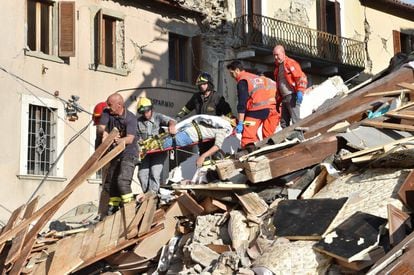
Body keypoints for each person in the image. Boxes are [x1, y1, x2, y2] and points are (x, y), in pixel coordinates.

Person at [97, 93, 138, 215]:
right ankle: (113, 210)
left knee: (122, 181)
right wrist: (103, 133)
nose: (108, 107)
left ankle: (129, 208)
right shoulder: (107, 112)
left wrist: (117, 140)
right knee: (110, 183)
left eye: (110, 105)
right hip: (115, 153)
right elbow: (101, 127)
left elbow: (130, 139)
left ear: (119, 104)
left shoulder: (131, 118)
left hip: (129, 153)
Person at [141, 115, 234, 168]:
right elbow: (217, 146)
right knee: (165, 141)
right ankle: (143, 148)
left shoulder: (219, 123)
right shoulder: (224, 128)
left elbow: (217, 147)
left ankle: (144, 145)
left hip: (189, 127)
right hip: (190, 134)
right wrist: (203, 156)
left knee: (164, 138)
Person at [176, 72, 233, 155]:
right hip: (201, 131)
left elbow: (227, 112)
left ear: (209, 84)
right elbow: (186, 108)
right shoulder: (196, 97)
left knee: (214, 153)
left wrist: (233, 121)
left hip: (213, 132)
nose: (201, 86)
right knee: (203, 154)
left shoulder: (217, 97)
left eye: (204, 84)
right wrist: (178, 117)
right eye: (200, 84)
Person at [226, 60, 279, 148]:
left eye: (232, 74)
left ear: (237, 70)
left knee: (248, 138)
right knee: (269, 137)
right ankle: (268, 152)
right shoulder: (254, 77)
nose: (232, 77)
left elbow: (242, 103)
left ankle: (249, 155)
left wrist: (241, 122)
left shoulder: (242, 80)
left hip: (256, 110)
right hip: (272, 110)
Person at [136, 97, 176, 195]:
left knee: (154, 173)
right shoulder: (138, 122)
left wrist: (171, 126)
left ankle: (153, 195)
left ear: (151, 109)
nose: (146, 114)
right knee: (142, 175)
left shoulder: (158, 117)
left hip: (159, 152)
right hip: (145, 153)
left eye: (147, 111)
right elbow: (136, 137)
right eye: (143, 113)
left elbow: (171, 121)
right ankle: (148, 196)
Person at [273, 44, 308, 128]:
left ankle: (299, 137)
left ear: (283, 53)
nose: (275, 57)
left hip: (292, 95)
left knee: (295, 120)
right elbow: (279, 86)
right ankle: (287, 138)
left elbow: (300, 77)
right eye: (274, 55)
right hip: (284, 97)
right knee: (284, 122)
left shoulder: (290, 63)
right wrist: (278, 101)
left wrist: (300, 91)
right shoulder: (277, 69)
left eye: (277, 55)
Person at [92, 101, 110, 219]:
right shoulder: (100, 131)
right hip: (106, 162)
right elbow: (97, 147)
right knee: (105, 188)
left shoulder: (116, 126)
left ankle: (108, 213)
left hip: (115, 161)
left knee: (111, 187)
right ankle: (103, 214)